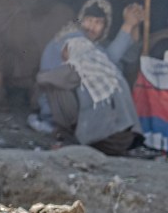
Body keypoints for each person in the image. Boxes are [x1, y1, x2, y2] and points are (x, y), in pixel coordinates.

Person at [34, 8, 144, 156]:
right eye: (89, 20)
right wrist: (127, 26)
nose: (92, 26)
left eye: (98, 22)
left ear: (105, 27)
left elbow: (126, 56)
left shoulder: (96, 49)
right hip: (54, 113)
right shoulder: (69, 42)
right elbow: (107, 59)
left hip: (97, 133)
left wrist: (133, 25)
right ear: (80, 20)